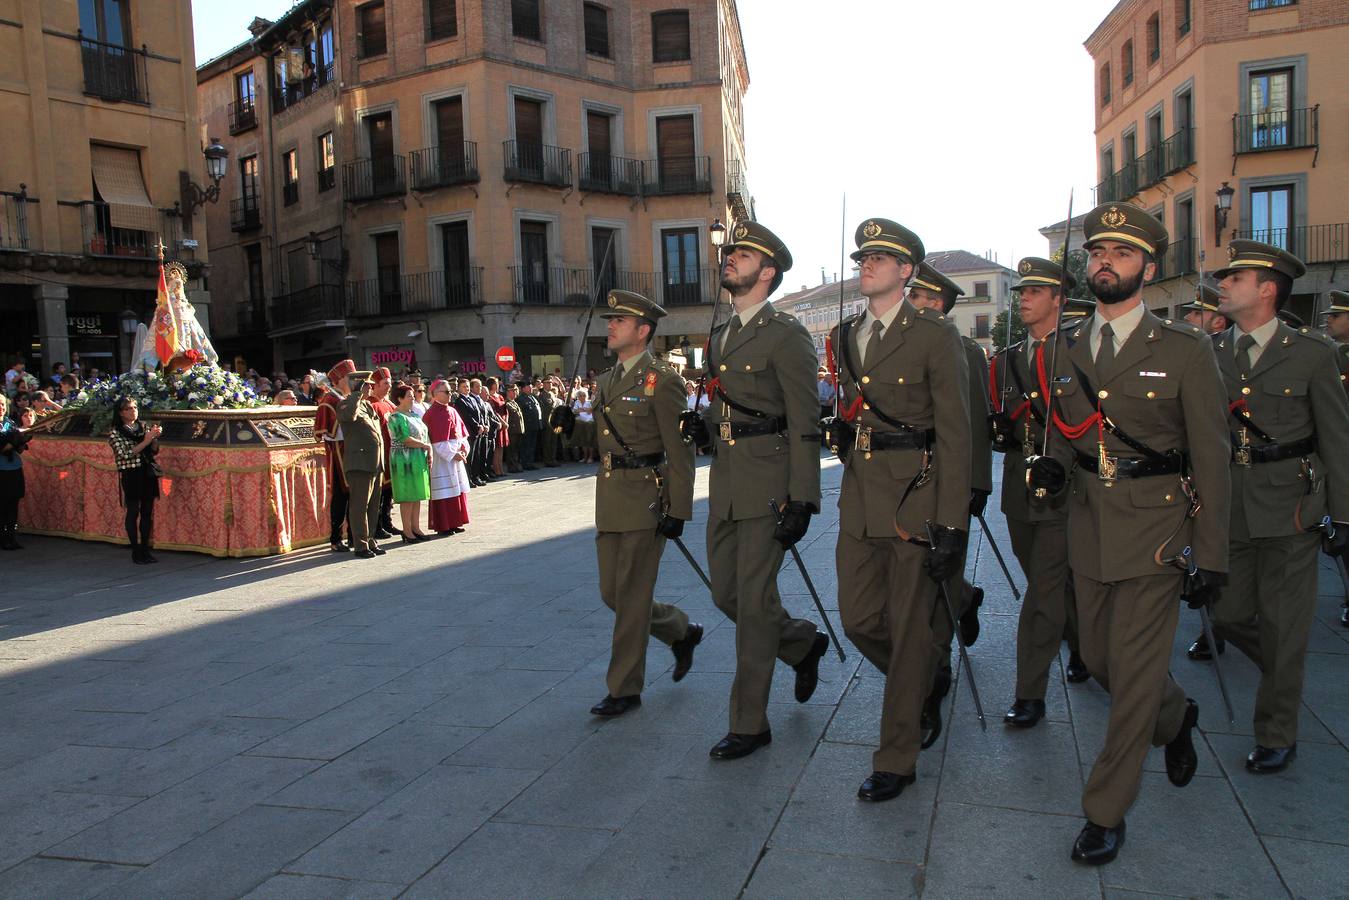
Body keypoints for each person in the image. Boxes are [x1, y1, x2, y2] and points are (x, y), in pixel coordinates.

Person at [1026, 203, 1229, 865]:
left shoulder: (1183, 349)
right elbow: (1063, 431)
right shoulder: (1066, 347)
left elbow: (1211, 455)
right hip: (1086, 524)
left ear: (1147, 265)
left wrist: (1213, 553)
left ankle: (1104, 810)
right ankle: (1174, 718)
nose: (1102, 262)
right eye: (1094, 253)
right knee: (1104, 660)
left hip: (1156, 528)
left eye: (1118, 252)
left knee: (1134, 672)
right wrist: (1051, 469)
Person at [821, 219, 970, 801]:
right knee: (859, 619)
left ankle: (897, 756)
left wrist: (953, 520)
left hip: (915, 495)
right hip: (860, 494)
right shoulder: (845, 334)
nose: (867, 264)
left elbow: (956, 433)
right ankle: (927, 676)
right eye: (863, 257)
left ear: (906, 271)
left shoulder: (935, 335)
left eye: (880, 257)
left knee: (908, 630)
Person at [1196, 241, 1349, 773]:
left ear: (1266, 289)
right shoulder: (1209, 352)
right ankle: (1284, 671)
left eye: (1235, 278)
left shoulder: (1312, 353)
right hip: (1229, 506)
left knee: (1285, 627)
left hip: (1291, 508)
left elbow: (1337, 437)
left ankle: (1277, 730)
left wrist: (1343, 515)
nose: (1224, 284)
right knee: (1228, 614)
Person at [684, 220, 826, 761]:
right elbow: (731, 405)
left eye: (741, 254)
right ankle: (801, 642)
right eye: (731, 251)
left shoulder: (786, 334)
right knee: (728, 596)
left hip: (769, 484)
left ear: (767, 272)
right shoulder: (723, 335)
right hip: (726, 482)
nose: (729, 258)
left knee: (756, 597)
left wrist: (804, 497)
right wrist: (705, 425)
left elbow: (803, 420)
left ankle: (749, 721)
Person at [589, 290, 704, 717]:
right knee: (613, 594)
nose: (611, 326)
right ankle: (680, 631)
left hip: (644, 498)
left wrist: (678, 510)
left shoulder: (663, 380)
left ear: (643, 331)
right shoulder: (606, 380)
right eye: (610, 320)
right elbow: (603, 441)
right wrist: (569, 427)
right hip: (610, 497)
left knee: (632, 598)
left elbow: (681, 451)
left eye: (619, 321)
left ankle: (624, 688)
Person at [989, 257, 1086, 731]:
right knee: (1047, 581)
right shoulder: (1007, 359)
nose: (1023, 297)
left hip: (1062, 488)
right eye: (1021, 291)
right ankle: (1085, 643)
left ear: (1059, 299)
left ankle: (1029, 692)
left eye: (1035, 291)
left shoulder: (1080, 352)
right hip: (1017, 487)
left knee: (1043, 591)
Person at [906, 260, 989, 746]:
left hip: (948, 482)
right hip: (908, 483)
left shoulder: (963, 351)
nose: (910, 304)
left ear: (936, 304)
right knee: (921, 588)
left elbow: (973, 423)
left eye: (917, 298)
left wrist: (975, 486)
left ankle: (932, 681)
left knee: (935, 590)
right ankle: (966, 597)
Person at [108, 396, 163, 565]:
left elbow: (154, 451)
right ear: (121, 413)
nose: (134, 411)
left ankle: (146, 548)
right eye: (129, 409)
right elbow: (125, 454)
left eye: (135, 407)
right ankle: (135, 550)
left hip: (146, 472)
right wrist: (146, 440)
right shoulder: (115, 431)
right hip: (131, 473)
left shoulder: (142, 426)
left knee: (147, 511)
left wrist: (153, 437)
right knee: (133, 511)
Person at [339, 370, 387, 559]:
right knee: (360, 505)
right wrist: (357, 394)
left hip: (374, 462)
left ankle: (371, 539)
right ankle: (360, 544)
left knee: (374, 505)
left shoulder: (368, 405)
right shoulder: (346, 404)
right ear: (358, 386)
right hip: (359, 463)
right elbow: (348, 417)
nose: (371, 388)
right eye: (367, 385)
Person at [315, 359, 354, 552]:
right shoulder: (329, 400)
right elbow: (325, 431)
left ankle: (355, 536)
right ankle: (336, 538)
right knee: (340, 498)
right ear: (339, 380)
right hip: (339, 456)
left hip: (355, 453)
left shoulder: (351, 398)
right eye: (349, 378)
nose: (353, 382)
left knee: (356, 497)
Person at [424, 379, 471, 534]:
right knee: (444, 491)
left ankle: (455, 522)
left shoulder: (452, 410)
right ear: (435, 394)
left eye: (451, 391)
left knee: (456, 490)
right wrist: (453, 454)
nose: (450, 394)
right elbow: (437, 442)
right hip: (441, 460)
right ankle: (443, 525)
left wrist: (464, 449)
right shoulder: (431, 413)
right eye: (447, 391)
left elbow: (463, 434)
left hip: (456, 456)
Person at [387, 384, 432, 543]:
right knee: (407, 495)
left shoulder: (414, 415)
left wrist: (428, 448)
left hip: (418, 456)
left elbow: (425, 435)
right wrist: (424, 445)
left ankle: (416, 527)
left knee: (417, 494)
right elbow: (404, 438)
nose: (413, 398)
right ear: (399, 399)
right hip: (403, 458)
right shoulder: (396, 417)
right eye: (409, 396)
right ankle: (407, 531)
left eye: (413, 396)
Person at [0, 394, 30, 550]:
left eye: (3, 405)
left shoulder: (8, 423)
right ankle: (3, 538)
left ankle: (11, 537)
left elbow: (18, 449)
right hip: (1, 471)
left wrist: (21, 442)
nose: (1, 408)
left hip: (14, 468)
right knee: (3, 505)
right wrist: (12, 442)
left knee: (13, 504)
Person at [370, 368, 397, 538]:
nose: (389, 386)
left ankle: (387, 522)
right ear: (376, 385)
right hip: (380, 455)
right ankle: (377, 525)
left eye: (390, 383)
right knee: (379, 493)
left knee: (389, 492)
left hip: (393, 454)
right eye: (386, 383)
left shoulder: (390, 404)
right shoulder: (371, 404)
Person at [453, 378, 487, 486]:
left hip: (477, 431)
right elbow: (466, 417)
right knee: (469, 457)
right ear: (459, 389)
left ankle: (475, 477)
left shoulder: (472, 399)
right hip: (469, 431)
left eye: (467, 386)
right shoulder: (460, 401)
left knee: (476, 456)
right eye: (464, 386)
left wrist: (482, 424)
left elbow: (479, 413)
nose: (467, 388)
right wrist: (478, 425)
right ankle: (467, 479)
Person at [517, 381, 542, 470]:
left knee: (532, 445)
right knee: (526, 445)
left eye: (531, 386)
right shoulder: (520, 399)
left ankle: (530, 462)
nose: (530, 388)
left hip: (535, 424)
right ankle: (525, 463)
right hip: (527, 425)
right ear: (523, 389)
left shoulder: (532, 397)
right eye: (528, 387)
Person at [536, 381, 560, 467]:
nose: (550, 384)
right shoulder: (542, 395)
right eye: (548, 383)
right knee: (547, 441)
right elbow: (550, 405)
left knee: (554, 440)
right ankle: (548, 460)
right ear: (544, 384)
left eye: (551, 383)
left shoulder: (552, 394)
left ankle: (553, 458)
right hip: (547, 421)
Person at [503, 384, 525, 473]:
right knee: (511, 450)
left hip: (518, 429)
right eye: (513, 390)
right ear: (508, 392)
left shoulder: (514, 402)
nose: (516, 392)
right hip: (512, 430)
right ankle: (511, 466)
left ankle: (516, 465)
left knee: (516, 449)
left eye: (516, 390)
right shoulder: (507, 403)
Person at [571, 388, 597, 464]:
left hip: (589, 422)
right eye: (581, 396)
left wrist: (582, 409)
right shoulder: (577, 402)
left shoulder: (589, 402)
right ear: (578, 397)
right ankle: (585, 457)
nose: (583, 397)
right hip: (581, 423)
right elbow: (574, 411)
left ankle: (590, 457)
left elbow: (590, 411)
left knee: (590, 440)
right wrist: (584, 409)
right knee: (583, 441)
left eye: (584, 395)